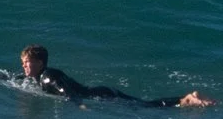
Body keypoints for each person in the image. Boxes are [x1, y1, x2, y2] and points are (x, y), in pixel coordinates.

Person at [17, 44, 212, 108]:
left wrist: (80, 104)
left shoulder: (47, 77)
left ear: (40, 63)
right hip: (101, 92)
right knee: (143, 104)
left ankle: (184, 99)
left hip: (102, 95)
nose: (24, 65)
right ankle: (185, 98)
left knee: (145, 106)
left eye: (28, 62)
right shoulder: (40, 77)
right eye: (23, 62)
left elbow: (64, 90)